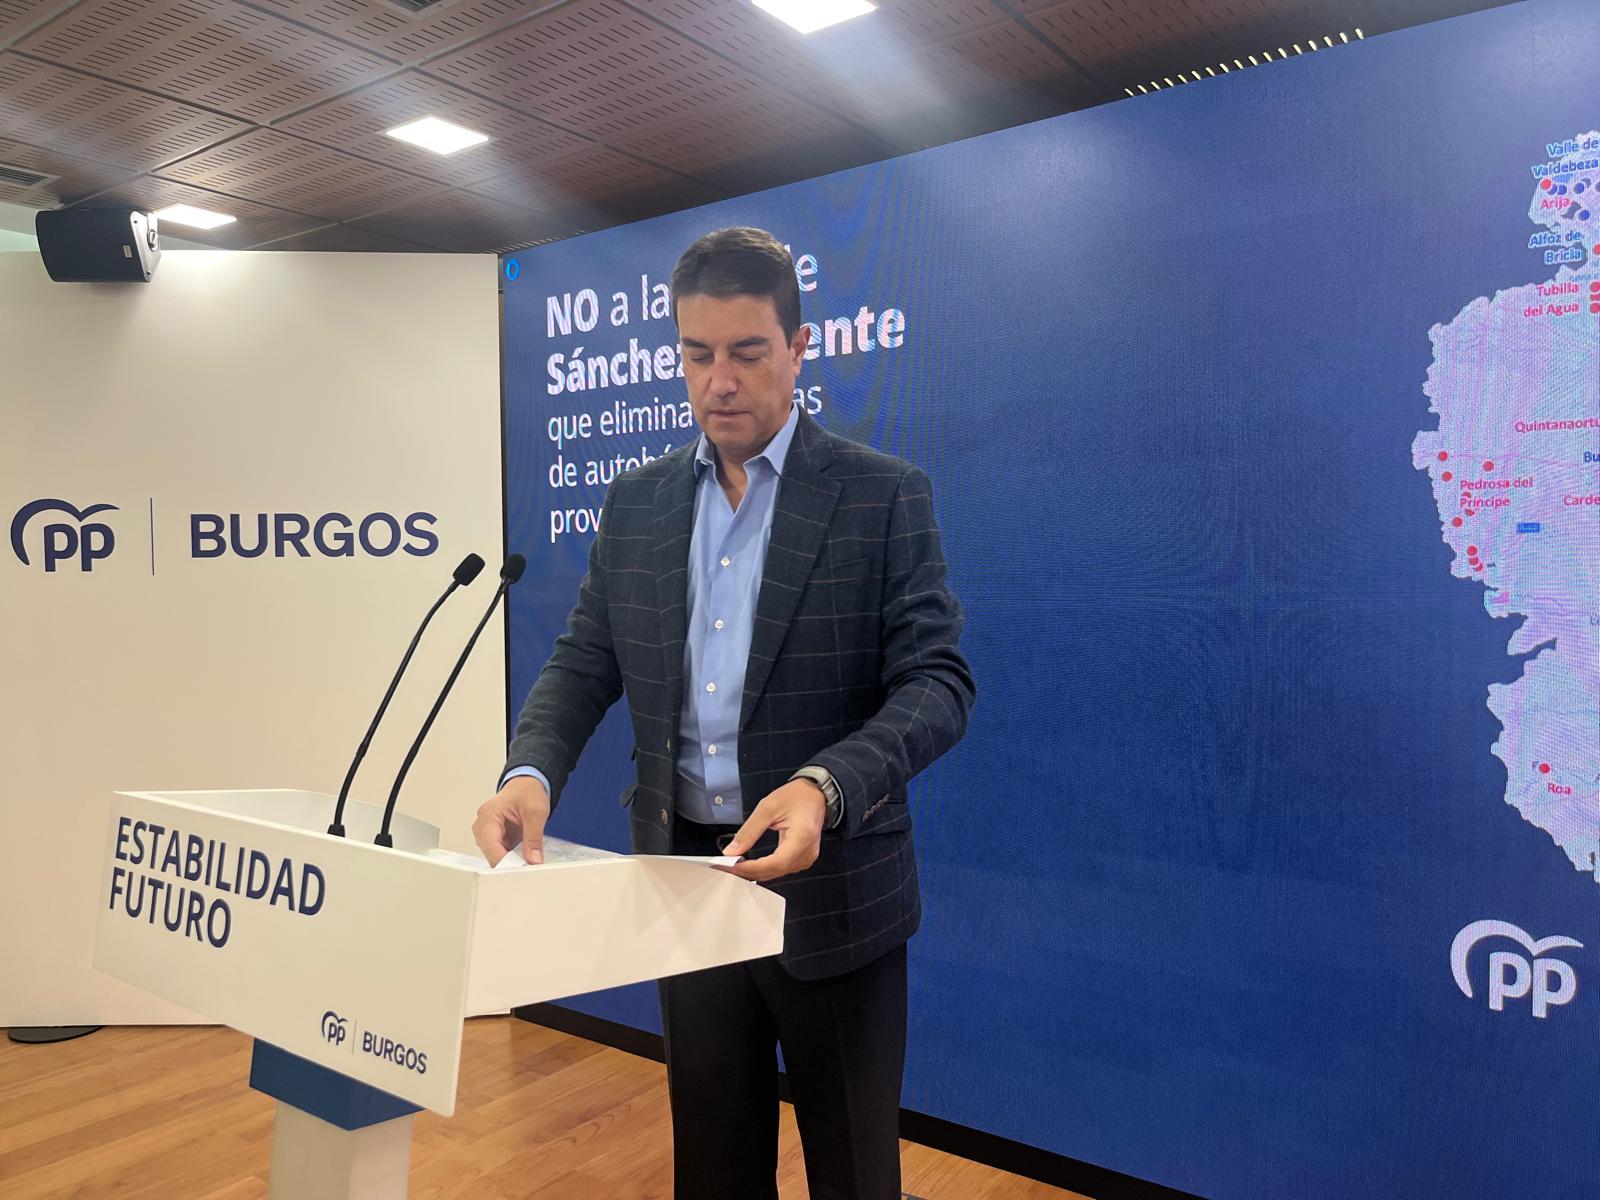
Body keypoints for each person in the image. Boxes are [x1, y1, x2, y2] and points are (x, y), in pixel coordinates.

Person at [473, 226, 974, 1200]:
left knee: (855, 1175)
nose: (720, 382)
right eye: (697, 354)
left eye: (747, 352)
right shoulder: (639, 503)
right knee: (713, 1169)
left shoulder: (880, 497)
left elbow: (937, 682)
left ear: (799, 348)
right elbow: (585, 658)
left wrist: (825, 786)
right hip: (685, 887)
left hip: (832, 896)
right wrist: (529, 770)